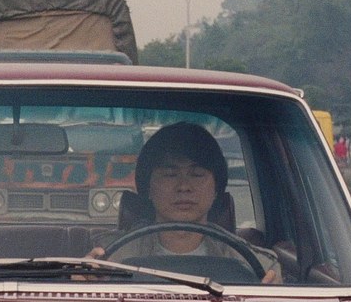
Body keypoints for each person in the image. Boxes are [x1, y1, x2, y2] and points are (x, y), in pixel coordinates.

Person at [84, 121, 281, 284]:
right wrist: (82, 280)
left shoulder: (258, 266)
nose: (184, 186)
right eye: (170, 174)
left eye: (197, 174)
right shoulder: (107, 258)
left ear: (216, 189)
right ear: (148, 187)